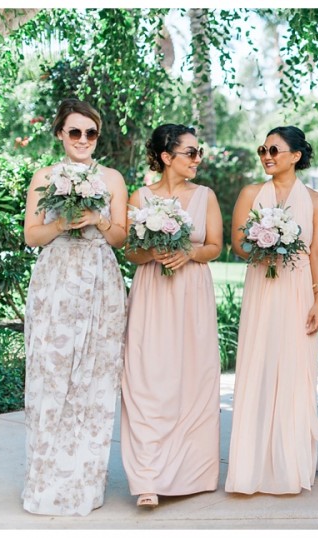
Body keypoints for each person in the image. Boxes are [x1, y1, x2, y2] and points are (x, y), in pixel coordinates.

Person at [22, 98, 128, 515]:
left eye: (90, 133)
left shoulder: (113, 178)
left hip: (101, 281)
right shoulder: (43, 176)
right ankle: (46, 485)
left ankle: (84, 486)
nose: (83, 140)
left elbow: (120, 237)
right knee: (50, 375)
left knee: (95, 381)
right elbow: (32, 235)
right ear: (60, 135)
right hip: (57, 280)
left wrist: (96, 219)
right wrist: (63, 223)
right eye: (75, 132)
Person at [120, 124, 223, 508]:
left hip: (192, 292)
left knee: (193, 377)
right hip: (152, 293)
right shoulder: (140, 196)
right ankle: (147, 478)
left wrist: (189, 254)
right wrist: (150, 253)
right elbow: (131, 251)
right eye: (191, 153)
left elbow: (215, 245)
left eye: (199, 153)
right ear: (167, 157)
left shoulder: (206, 196)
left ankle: (193, 473)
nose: (198, 159)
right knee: (147, 379)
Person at [225, 126, 318, 495]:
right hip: (263, 288)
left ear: (296, 156)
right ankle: (250, 467)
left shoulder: (316, 201)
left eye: (274, 149)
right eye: (263, 150)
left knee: (295, 369)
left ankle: (289, 466)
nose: (267, 156)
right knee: (259, 365)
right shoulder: (251, 193)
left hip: (298, 290)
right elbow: (237, 242)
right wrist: (261, 241)